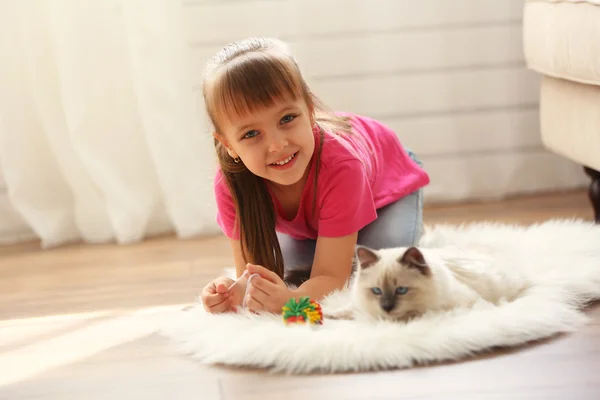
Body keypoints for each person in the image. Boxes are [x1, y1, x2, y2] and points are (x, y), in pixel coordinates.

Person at [199, 37, 430, 314]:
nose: (277, 145)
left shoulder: (342, 166)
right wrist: (231, 292)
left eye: (287, 119)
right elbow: (250, 274)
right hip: (327, 203)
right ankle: (333, 227)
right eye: (250, 134)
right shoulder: (231, 183)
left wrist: (288, 301)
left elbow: (333, 279)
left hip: (387, 183)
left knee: (376, 265)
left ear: (310, 112)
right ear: (228, 145)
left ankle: (363, 224)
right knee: (293, 271)